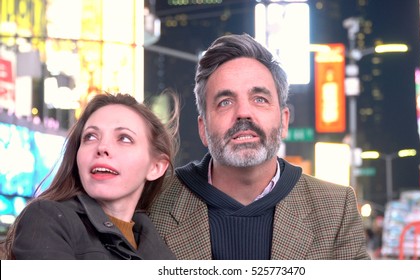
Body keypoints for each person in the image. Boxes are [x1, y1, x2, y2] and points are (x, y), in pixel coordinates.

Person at [148, 33, 371, 260]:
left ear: (284, 121)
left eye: (260, 99)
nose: (243, 113)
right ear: (203, 128)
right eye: (225, 102)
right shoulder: (152, 202)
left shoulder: (335, 208)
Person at [2, 92, 179, 260]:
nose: (102, 147)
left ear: (156, 167)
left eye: (124, 138)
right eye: (91, 137)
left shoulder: (158, 244)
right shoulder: (46, 219)